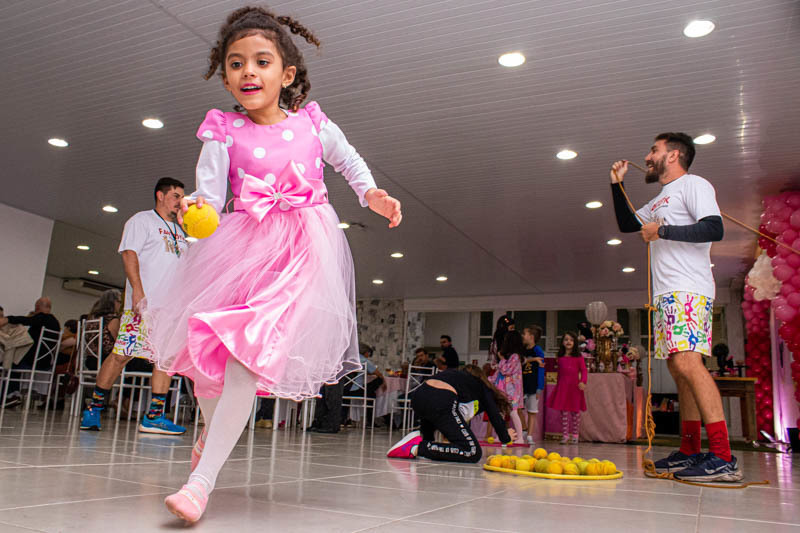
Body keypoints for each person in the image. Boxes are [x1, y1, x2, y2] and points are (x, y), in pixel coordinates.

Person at [142, 6, 402, 523]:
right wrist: (196, 210)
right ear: (225, 77)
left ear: (286, 74)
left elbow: (348, 160)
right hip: (241, 247)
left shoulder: (312, 123)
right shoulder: (223, 131)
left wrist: (370, 192)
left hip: (301, 251)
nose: (248, 72)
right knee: (210, 362)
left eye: (262, 61)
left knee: (245, 356)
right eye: (236, 63)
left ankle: (200, 484)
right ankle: (211, 435)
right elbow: (210, 197)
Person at [610, 132, 739, 482]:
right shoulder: (660, 199)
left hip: (688, 289)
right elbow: (627, 223)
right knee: (678, 368)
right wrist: (616, 185)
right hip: (666, 295)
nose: (648, 157)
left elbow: (713, 228)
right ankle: (690, 450)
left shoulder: (694, 185)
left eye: (654, 150)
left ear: (673, 155)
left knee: (687, 363)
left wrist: (663, 233)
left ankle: (723, 457)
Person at [80, 178, 188, 436]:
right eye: (175, 195)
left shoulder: (180, 232)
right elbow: (129, 254)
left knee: (164, 360)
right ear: (160, 195)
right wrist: (137, 291)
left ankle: (154, 417)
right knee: (121, 355)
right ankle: (94, 409)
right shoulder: (142, 220)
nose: (180, 201)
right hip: (144, 305)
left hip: (169, 309)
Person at [387, 365, 516, 463]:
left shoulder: (453, 376)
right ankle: (417, 447)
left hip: (418, 397)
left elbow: (432, 409)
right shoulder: (481, 385)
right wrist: (506, 437)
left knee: (435, 412)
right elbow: (494, 414)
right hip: (440, 399)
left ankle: (420, 444)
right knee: (472, 452)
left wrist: (428, 438)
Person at [0, 297, 60, 408]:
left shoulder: (43, 318)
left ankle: (10, 396)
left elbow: (26, 320)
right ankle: (12, 395)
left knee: (9, 362)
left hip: (35, 361)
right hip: (46, 362)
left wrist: (8, 319)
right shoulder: (55, 322)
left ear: (37, 307)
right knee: (14, 360)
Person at [485, 329, 524, 443]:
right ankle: (500, 436)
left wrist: (501, 360)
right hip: (502, 392)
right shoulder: (509, 358)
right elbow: (498, 374)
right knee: (500, 414)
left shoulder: (515, 357)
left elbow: (506, 370)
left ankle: (520, 438)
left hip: (512, 392)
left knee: (513, 413)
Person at [548, 332, 587, 444]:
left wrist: (583, 382)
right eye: (566, 339)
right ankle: (565, 435)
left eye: (571, 340)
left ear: (575, 342)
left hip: (575, 388)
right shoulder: (560, 357)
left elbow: (584, 370)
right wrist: (558, 387)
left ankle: (575, 435)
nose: (568, 342)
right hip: (563, 387)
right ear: (562, 342)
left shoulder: (578, 357)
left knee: (575, 412)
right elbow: (559, 373)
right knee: (564, 412)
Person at [521, 326, 546, 445]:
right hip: (521, 385)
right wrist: (533, 359)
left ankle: (530, 435)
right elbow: (520, 361)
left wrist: (539, 387)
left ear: (531, 337)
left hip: (533, 385)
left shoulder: (538, 350)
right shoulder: (522, 350)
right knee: (517, 408)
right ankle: (524, 428)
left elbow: (541, 369)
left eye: (524, 334)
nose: (522, 336)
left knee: (532, 411)